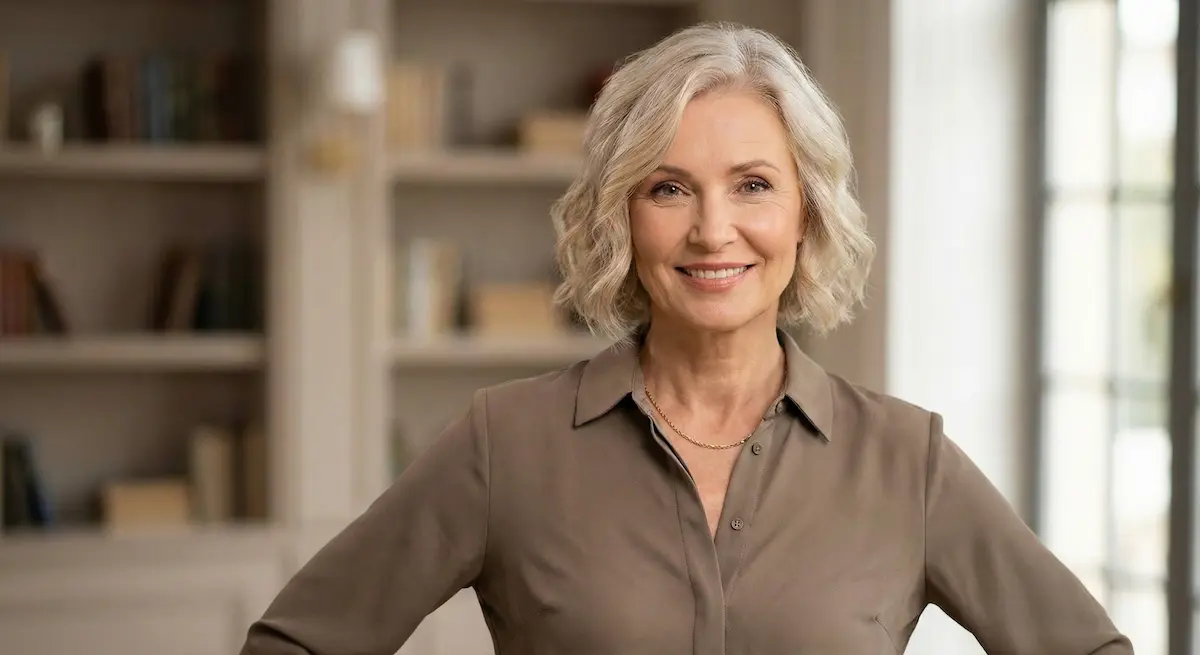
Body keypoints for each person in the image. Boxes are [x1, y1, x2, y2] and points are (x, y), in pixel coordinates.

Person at [240, 22, 1133, 655]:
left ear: (806, 215)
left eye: (752, 185)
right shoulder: (503, 443)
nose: (714, 231)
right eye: (669, 188)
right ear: (621, 217)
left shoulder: (908, 460)